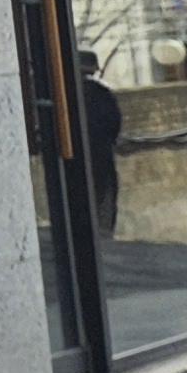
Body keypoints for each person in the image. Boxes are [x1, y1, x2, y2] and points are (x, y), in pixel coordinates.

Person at [76, 47, 124, 239]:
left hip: (74, 155)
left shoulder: (64, 95)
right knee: (102, 195)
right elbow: (114, 124)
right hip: (100, 153)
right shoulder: (102, 93)